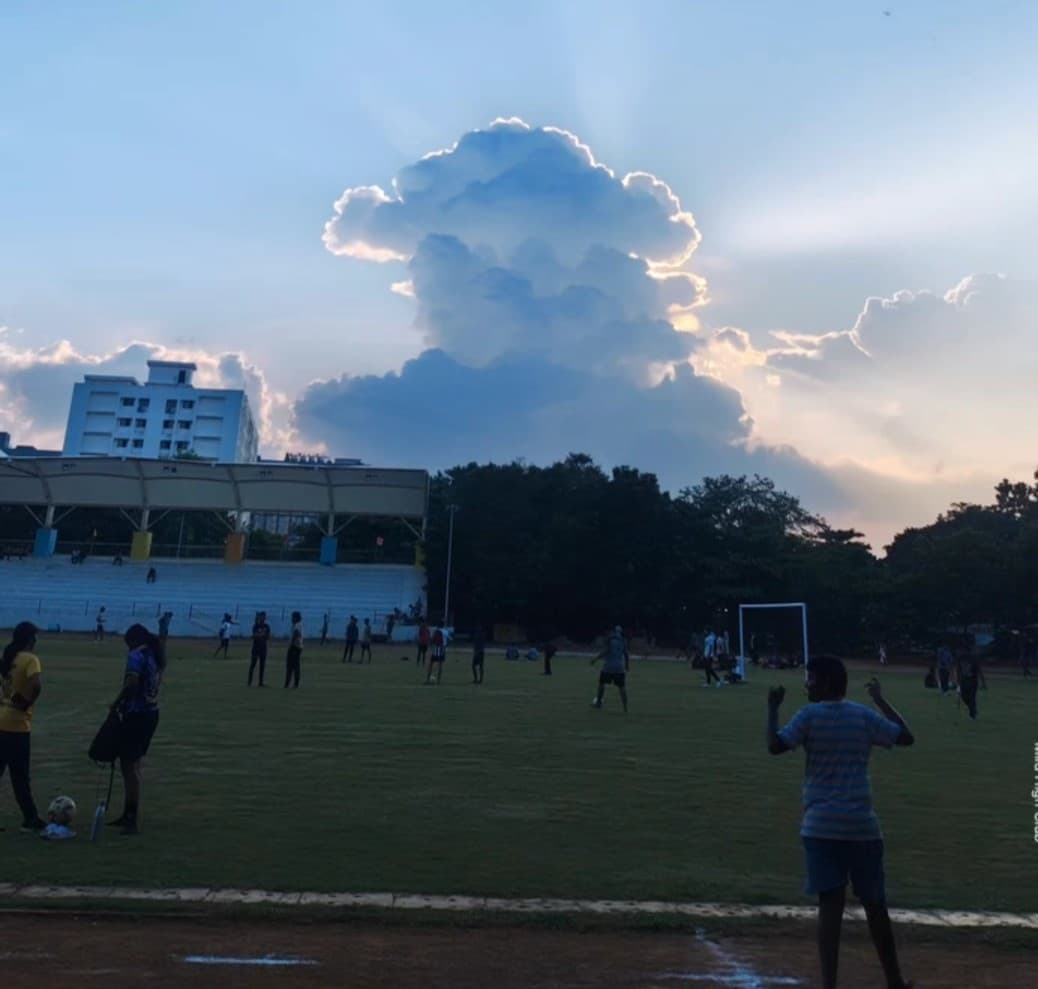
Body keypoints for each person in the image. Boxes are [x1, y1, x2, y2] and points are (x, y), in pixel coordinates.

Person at [767, 657, 915, 989]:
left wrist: (772, 709)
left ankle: (829, 985)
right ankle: (895, 981)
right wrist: (879, 700)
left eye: (812, 680)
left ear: (826, 683)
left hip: (820, 827)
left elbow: (775, 745)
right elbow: (905, 737)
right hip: (862, 825)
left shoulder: (808, 715)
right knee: (875, 906)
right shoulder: (862, 716)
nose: (808, 685)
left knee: (829, 908)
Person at [109, 623, 165, 835]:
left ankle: (131, 816)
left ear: (132, 640)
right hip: (151, 713)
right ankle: (128, 813)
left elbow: (132, 683)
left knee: (129, 767)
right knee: (133, 765)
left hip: (137, 715)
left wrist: (117, 703)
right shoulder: (154, 655)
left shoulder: (136, 655)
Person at [0, 622, 46, 832]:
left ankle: (31, 817)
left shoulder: (9, 657)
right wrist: (27, 702)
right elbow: (36, 684)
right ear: (30, 639)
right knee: (20, 777)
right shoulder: (30, 659)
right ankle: (31, 818)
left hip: (1, 718)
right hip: (17, 725)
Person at [590, 626, 629, 712]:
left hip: (608, 667)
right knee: (622, 687)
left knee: (601, 684)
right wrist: (626, 665)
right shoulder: (623, 640)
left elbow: (605, 651)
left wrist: (595, 659)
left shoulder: (609, 639)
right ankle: (625, 708)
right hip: (619, 667)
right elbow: (626, 654)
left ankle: (598, 703)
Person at [956, 651, 986, 720]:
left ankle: (972, 715)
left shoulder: (973, 659)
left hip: (972, 681)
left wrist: (983, 682)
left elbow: (979, 670)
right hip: (964, 681)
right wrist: (958, 682)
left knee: (971, 697)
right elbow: (958, 670)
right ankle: (973, 709)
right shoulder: (960, 658)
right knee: (964, 697)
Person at [249, 612, 271, 687]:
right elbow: (254, 635)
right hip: (255, 648)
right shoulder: (256, 625)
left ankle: (260, 682)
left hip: (263, 648)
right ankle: (249, 682)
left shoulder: (267, 626)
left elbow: (267, 637)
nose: (263, 618)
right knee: (253, 665)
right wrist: (261, 635)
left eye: (264, 617)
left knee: (262, 666)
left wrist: (259, 635)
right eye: (262, 616)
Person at [284, 612, 303, 688]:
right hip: (297, 647)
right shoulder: (296, 625)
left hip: (295, 647)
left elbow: (296, 634)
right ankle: (292, 683)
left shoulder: (298, 625)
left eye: (292, 617)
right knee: (294, 666)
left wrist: (291, 643)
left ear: (296, 618)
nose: (291, 619)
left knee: (292, 666)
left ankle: (290, 683)